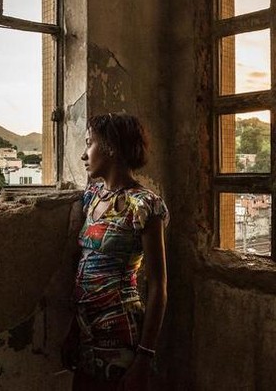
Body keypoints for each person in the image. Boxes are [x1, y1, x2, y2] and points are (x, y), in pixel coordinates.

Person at [62, 113, 169, 391]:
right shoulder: (92, 196)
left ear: (110, 147)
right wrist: (74, 330)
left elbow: (158, 286)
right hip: (87, 334)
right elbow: (83, 268)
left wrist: (144, 358)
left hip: (120, 333)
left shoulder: (144, 205)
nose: (84, 154)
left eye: (90, 144)